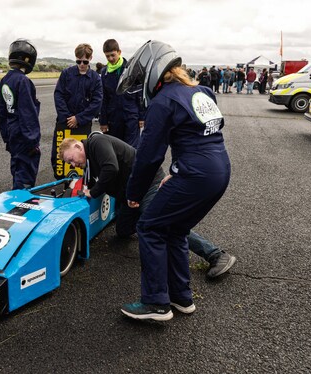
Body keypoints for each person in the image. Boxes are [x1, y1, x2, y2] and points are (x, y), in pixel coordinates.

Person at [116, 40, 231, 321]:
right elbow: (201, 136)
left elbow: (148, 156)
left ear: (156, 72)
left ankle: (156, 302)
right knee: (176, 229)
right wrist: (178, 170)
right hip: (219, 170)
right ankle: (181, 298)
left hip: (196, 174)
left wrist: (134, 192)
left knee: (150, 226)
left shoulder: (163, 102)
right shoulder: (201, 91)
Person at [59, 133, 235, 278]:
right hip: (130, 194)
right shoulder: (88, 162)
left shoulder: (96, 142)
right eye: (69, 163)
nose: (73, 164)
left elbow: (111, 169)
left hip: (148, 183)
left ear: (77, 147)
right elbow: (91, 183)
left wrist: (94, 192)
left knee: (161, 224)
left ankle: (216, 254)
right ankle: (146, 218)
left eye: (71, 159)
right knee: (123, 230)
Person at [52, 43, 102, 180]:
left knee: (81, 157)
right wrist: (68, 118)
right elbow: (58, 95)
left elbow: (97, 103)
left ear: (90, 58)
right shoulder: (66, 74)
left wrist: (79, 119)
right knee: (60, 156)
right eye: (78, 61)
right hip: (64, 122)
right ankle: (61, 183)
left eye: (85, 61)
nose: (81, 64)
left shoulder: (95, 78)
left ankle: (81, 184)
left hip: (83, 124)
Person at [0, 39, 41, 190]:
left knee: (16, 170)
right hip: (24, 135)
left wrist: (6, 136)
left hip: (12, 133)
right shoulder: (23, 81)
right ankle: (21, 207)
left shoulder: (5, 80)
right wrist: (33, 141)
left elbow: (1, 111)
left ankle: (16, 198)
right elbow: (27, 113)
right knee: (25, 175)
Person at [99, 39, 141, 147]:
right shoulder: (104, 73)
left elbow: (139, 93)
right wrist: (103, 121)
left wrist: (142, 116)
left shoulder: (132, 69)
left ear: (119, 52)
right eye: (107, 56)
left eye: (113, 55)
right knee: (116, 148)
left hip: (131, 115)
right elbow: (103, 98)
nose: (110, 59)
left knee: (132, 149)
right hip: (113, 118)